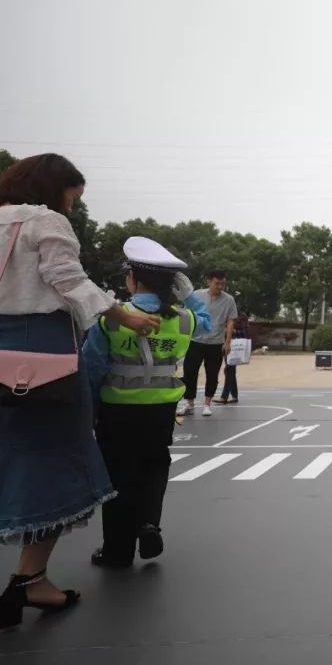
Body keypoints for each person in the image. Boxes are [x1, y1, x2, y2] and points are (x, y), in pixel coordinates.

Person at [0, 154, 160, 629]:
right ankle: (30, 579)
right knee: (50, 459)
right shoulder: (43, 220)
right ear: (55, 189)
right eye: (73, 196)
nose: (72, 207)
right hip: (41, 355)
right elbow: (68, 280)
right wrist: (125, 314)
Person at [82, 237, 211, 567]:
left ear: (132, 279)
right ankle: (149, 523)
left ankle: (117, 550)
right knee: (154, 468)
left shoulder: (111, 318)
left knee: (119, 478)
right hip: (162, 410)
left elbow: (91, 368)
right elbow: (207, 325)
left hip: (117, 410)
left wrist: (89, 411)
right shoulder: (183, 318)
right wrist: (191, 296)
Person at [176, 270, 237, 418]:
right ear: (209, 282)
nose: (220, 286)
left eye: (223, 284)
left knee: (212, 374)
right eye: (217, 283)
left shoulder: (229, 300)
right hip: (195, 341)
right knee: (190, 372)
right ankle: (189, 404)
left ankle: (207, 404)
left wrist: (227, 342)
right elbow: (186, 315)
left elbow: (230, 321)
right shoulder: (196, 295)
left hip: (216, 343)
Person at [216, 310, 249, 404]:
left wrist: (231, 331)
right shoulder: (224, 314)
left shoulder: (241, 316)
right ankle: (234, 396)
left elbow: (244, 332)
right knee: (230, 370)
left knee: (229, 369)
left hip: (235, 346)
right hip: (223, 344)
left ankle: (224, 397)